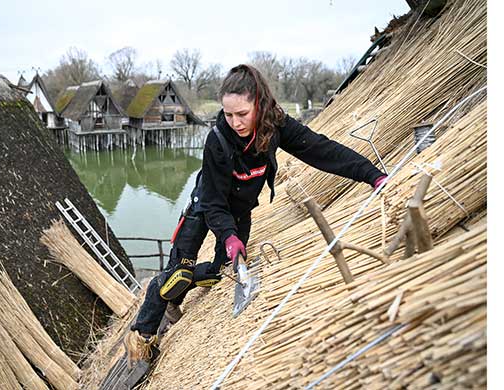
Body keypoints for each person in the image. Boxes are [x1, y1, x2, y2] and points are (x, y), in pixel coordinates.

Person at [124, 64, 387, 363]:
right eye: (228, 114)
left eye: (242, 114)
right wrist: (227, 235)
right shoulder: (217, 140)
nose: (234, 122)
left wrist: (371, 175)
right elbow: (212, 202)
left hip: (240, 211)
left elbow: (320, 150)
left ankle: (176, 300)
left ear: (259, 104)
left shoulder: (276, 125)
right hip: (205, 205)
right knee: (177, 274)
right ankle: (144, 332)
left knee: (223, 274)